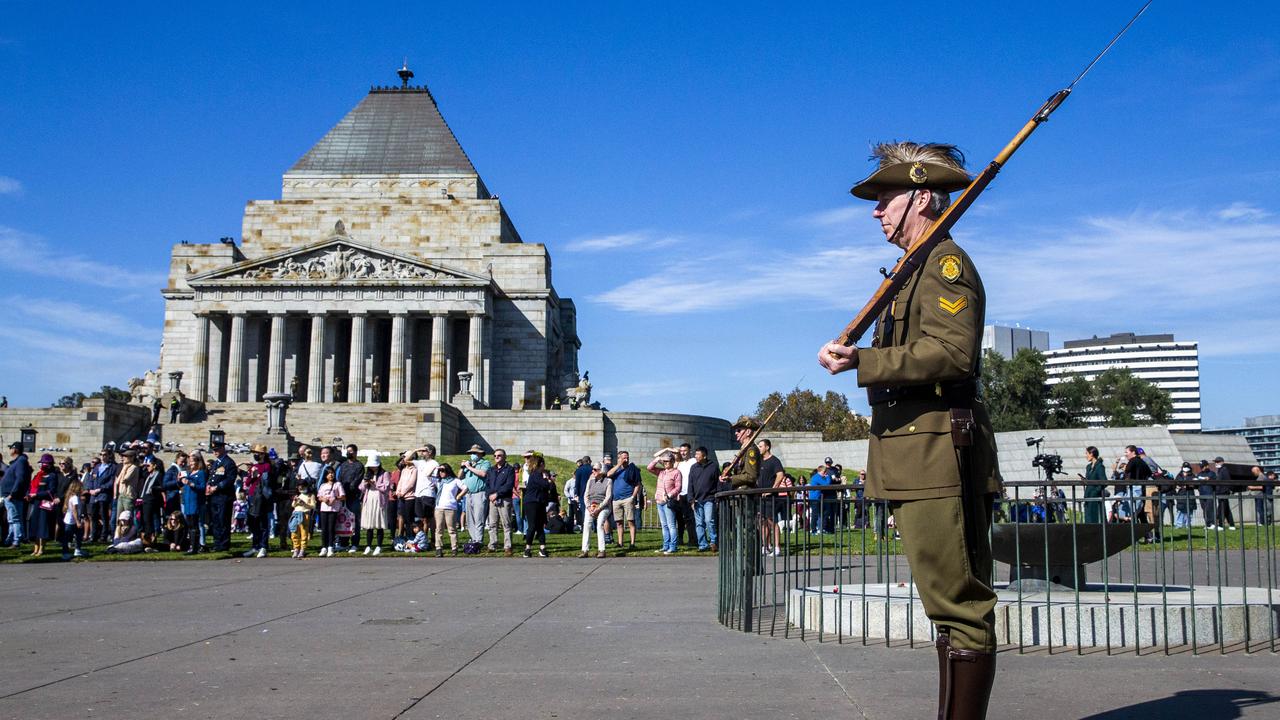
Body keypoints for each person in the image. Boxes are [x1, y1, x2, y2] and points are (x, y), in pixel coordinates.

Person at [817, 141, 1001, 716]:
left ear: (922, 196)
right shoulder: (912, 269)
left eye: (884, 198)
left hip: (939, 455)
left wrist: (862, 362)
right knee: (944, 612)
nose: (875, 210)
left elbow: (952, 353)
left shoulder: (946, 263)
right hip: (912, 456)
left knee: (960, 609)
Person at [25, 453, 60, 557]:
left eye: (45, 463)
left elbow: (51, 490)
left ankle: (42, 548)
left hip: (45, 503)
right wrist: (28, 494)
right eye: (42, 463)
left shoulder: (52, 476)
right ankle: (35, 548)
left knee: (43, 526)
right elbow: (31, 486)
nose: (43, 465)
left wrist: (36, 494)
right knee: (35, 525)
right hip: (35, 502)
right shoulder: (38, 475)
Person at [648, 450, 683, 555]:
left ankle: (673, 546)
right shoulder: (661, 472)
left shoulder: (676, 472)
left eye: (667, 461)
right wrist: (657, 459)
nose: (665, 463)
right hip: (659, 500)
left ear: (672, 461)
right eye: (664, 461)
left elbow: (678, 487)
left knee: (671, 525)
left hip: (668, 501)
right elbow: (649, 468)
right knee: (664, 525)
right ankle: (665, 545)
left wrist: (670, 495)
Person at [606, 450, 642, 550]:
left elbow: (638, 484)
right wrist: (619, 465)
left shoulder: (632, 469)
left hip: (627, 499)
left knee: (631, 521)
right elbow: (608, 474)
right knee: (619, 522)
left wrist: (633, 497)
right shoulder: (616, 469)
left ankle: (632, 543)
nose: (626, 459)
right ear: (619, 458)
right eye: (623, 457)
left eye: (627, 457)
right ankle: (620, 542)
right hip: (616, 499)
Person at [687, 446, 720, 552]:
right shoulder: (693, 467)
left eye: (698, 454)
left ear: (704, 456)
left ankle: (713, 542)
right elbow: (690, 484)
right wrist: (691, 498)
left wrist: (717, 497)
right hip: (697, 500)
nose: (696, 456)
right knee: (699, 523)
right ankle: (702, 545)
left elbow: (718, 482)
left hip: (709, 499)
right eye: (695, 454)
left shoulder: (713, 466)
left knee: (709, 520)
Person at [206, 442, 237, 552]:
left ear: (223, 449)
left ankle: (223, 544)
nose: (215, 452)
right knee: (216, 521)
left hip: (224, 496)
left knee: (223, 520)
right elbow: (212, 476)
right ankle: (217, 543)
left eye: (217, 450)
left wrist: (217, 487)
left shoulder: (229, 463)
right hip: (215, 496)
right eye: (214, 450)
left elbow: (230, 479)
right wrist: (209, 485)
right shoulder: (216, 463)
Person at [522, 453, 554, 558]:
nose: (545, 466)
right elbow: (546, 485)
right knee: (532, 526)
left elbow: (548, 489)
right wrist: (548, 480)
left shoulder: (539, 475)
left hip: (540, 502)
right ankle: (527, 548)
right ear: (540, 464)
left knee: (540, 526)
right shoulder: (535, 474)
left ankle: (542, 547)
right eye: (543, 464)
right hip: (531, 502)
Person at [756, 439, 785, 556]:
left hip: (770, 497)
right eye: (758, 446)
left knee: (772, 521)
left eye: (761, 446)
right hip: (759, 496)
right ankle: (766, 546)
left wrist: (772, 489)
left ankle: (777, 547)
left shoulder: (774, 461)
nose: (759, 448)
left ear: (767, 447)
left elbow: (780, 475)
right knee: (762, 521)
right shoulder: (759, 461)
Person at [578, 462, 612, 558]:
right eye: (593, 469)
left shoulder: (608, 481)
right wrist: (589, 507)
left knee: (599, 524)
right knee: (587, 525)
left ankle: (602, 550)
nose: (593, 471)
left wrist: (599, 508)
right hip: (591, 506)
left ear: (601, 471)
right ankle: (585, 550)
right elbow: (586, 495)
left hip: (603, 507)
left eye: (595, 469)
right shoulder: (590, 481)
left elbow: (608, 497)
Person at [486, 449, 516, 555]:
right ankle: (492, 545)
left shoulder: (510, 469)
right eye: (495, 455)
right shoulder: (491, 470)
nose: (496, 457)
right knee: (492, 524)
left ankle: (508, 546)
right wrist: (490, 495)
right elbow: (488, 484)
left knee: (506, 523)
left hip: (504, 499)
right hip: (492, 500)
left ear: (504, 457)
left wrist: (497, 494)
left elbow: (509, 485)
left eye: (499, 455)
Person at [459, 444, 491, 544]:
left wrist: (469, 467)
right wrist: (462, 467)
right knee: (469, 519)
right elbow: (459, 476)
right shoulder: (469, 464)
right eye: (471, 453)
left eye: (474, 453)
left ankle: (479, 541)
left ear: (480, 454)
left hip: (480, 493)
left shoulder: (485, 462)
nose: (472, 455)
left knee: (479, 518)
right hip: (468, 494)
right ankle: (473, 539)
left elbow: (483, 474)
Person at [2, 441, 32, 548]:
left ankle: (16, 540)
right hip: (9, 496)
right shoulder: (17, 461)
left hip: (13, 496)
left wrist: (12, 493)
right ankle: (10, 539)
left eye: (11, 448)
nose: (9, 450)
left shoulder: (21, 461)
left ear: (15, 449)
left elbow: (20, 478)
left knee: (15, 519)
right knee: (11, 519)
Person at [359, 454, 391, 554]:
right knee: (370, 524)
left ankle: (379, 545)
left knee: (379, 523)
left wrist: (375, 484)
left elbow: (386, 488)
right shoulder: (367, 474)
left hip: (379, 499)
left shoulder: (384, 473)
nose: (372, 467)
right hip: (369, 499)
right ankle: (368, 545)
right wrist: (365, 482)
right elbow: (361, 488)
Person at [336, 444, 365, 553]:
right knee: (343, 520)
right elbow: (339, 478)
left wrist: (349, 489)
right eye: (347, 451)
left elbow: (357, 481)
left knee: (354, 521)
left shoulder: (359, 466)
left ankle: (355, 543)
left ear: (356, 452)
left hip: (353, 497)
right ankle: (343, 543)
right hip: (343, 497)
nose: (349, 453)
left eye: (351, 451)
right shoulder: (343, 465)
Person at [85, 449, 118, 543]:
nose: (103, 457)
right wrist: (89, 489)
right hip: (93, 495)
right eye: (101, 455)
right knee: (93, 516)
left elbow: (112, 482)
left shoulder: (112, 467)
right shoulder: (97, 467)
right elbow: (91, 479)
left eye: (105, 455)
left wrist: (101, 489)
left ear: (109, 456)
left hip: (104, 494)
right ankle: (94, 536)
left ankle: (104, 535)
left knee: (104, 516)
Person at [410, 445, 440, 546]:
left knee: (428, 519)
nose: (422, 452)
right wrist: (415, 450)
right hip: (418, 494)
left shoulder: (434, 463)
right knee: (420, 519)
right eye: (421, 451)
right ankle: (423, 539)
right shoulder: (420, 463)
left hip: (428, 494)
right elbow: (406, 460)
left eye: (424, 451)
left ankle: (429, 540)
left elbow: (428, 474)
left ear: (430, 452)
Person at [434, 464, 465, 557]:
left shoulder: (455, 481)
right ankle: (438, 549)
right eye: (440, 470)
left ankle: (454, 548)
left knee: (451, 529)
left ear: (448, 470)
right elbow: (427, 475)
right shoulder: (439, 481)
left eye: (443, 470)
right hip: (439, 508)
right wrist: (435, 468)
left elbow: (465, 488)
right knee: (439, 529)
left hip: (450, 508)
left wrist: (459, 496)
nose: (441, 472)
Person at [181, 453, 208, 554]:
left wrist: (191, 484)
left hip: (195, 502)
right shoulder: (189, 473)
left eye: (193, 461)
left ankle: (195, 547)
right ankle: (192, 546)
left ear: (198, 462)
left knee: (194, 525)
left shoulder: (201, 473)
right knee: (190, 525)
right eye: (190, 461)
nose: (191, 463)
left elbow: (202, 487)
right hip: (187, 502)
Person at [316, 466, 345, 557]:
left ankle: (330, 547)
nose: (331, 475)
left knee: (331, 528)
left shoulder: (338, 484)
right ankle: (323, 547)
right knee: (324, 529)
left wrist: (335, 498)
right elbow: (319, 496)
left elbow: (343, 496)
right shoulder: (323, 485)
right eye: (329, 473)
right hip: (324, 509)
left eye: (332, 473)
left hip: (334, 509)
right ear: (326, 475)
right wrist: (323, 499)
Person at [138, 456, 165, 549]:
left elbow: (163, 486)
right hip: (145, 499)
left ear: (154, 465)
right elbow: (140, 474)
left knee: (149, 520)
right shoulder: (149, 475)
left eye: (149, 465)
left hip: (152, 499)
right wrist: (143, 466)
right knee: (145, 520)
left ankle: (151, 539)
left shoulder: (158, 475)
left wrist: (154, 488)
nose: (147, 467)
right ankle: (147, 538)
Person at [391, 455, 417, 542]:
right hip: (401, 497)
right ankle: (405, 537)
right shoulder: (404, 470)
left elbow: (411, 484)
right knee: (403, 517)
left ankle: (411, 537)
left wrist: (403, 492)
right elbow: (401, 482)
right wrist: (398, 491)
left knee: (409, 519)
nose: (404, 461)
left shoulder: (414, 469)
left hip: (410, 497)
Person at [60, 476, 86, 559]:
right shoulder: (75, 498)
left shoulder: (70, 496)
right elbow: (74, 510)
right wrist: (78, 521)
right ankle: (66, 553)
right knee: (68, 536)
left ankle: (77, 550)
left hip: (69, 519)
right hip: (72, 520)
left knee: (78, 534)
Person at [289, 481, 316, 558]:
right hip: (296, 514)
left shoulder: (311, 495)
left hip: (305, 514)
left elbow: (313, 506)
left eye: (302, 486)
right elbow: (293, 505)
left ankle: (302, 549)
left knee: (304, 533)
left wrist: (304, 503)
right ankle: (296, 548)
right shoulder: (298, 495)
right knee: (294, 532)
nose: (300, 488)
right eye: (299, 486)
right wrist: (295, 500)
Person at [1081, 446, 1108, 524]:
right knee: (1088, 518)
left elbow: (1104, 481)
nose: (1086, 455)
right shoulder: (1088, 467)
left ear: (1091, 454)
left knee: (1096, 518)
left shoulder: (1099, 466)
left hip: (1096, 497)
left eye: (1087, 453)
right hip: (1088, 495)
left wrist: (1095, 491)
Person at [1212, 456, 1237, 530]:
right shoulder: (1220, 470)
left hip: (1223, 492)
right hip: (1220, 492)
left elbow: (1227, 481)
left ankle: (1221, 525)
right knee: (1226, 509)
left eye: (1217, 462)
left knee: (1222, 509)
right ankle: (1232, 525)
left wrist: (1227, 490)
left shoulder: (1224, 470)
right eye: (1215, 462)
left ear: (1222, 462)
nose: (1216, 463)